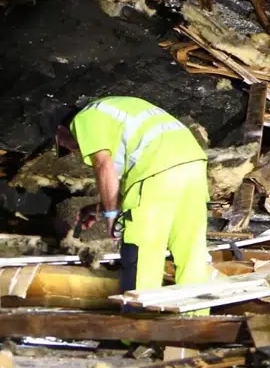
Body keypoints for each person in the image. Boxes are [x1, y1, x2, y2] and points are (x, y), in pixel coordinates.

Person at [55, 97, 213, 309]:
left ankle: (138, 327)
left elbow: (103, 165)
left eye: (66, 145)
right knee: (191, 248)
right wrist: (100, 208)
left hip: (157, 169)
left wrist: (111, 217)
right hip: (193, 163)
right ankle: (196, 325)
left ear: (60, 130)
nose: (74, 151)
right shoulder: (118, 113)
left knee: (143, 250)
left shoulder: (85, 118)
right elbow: (130, 184)